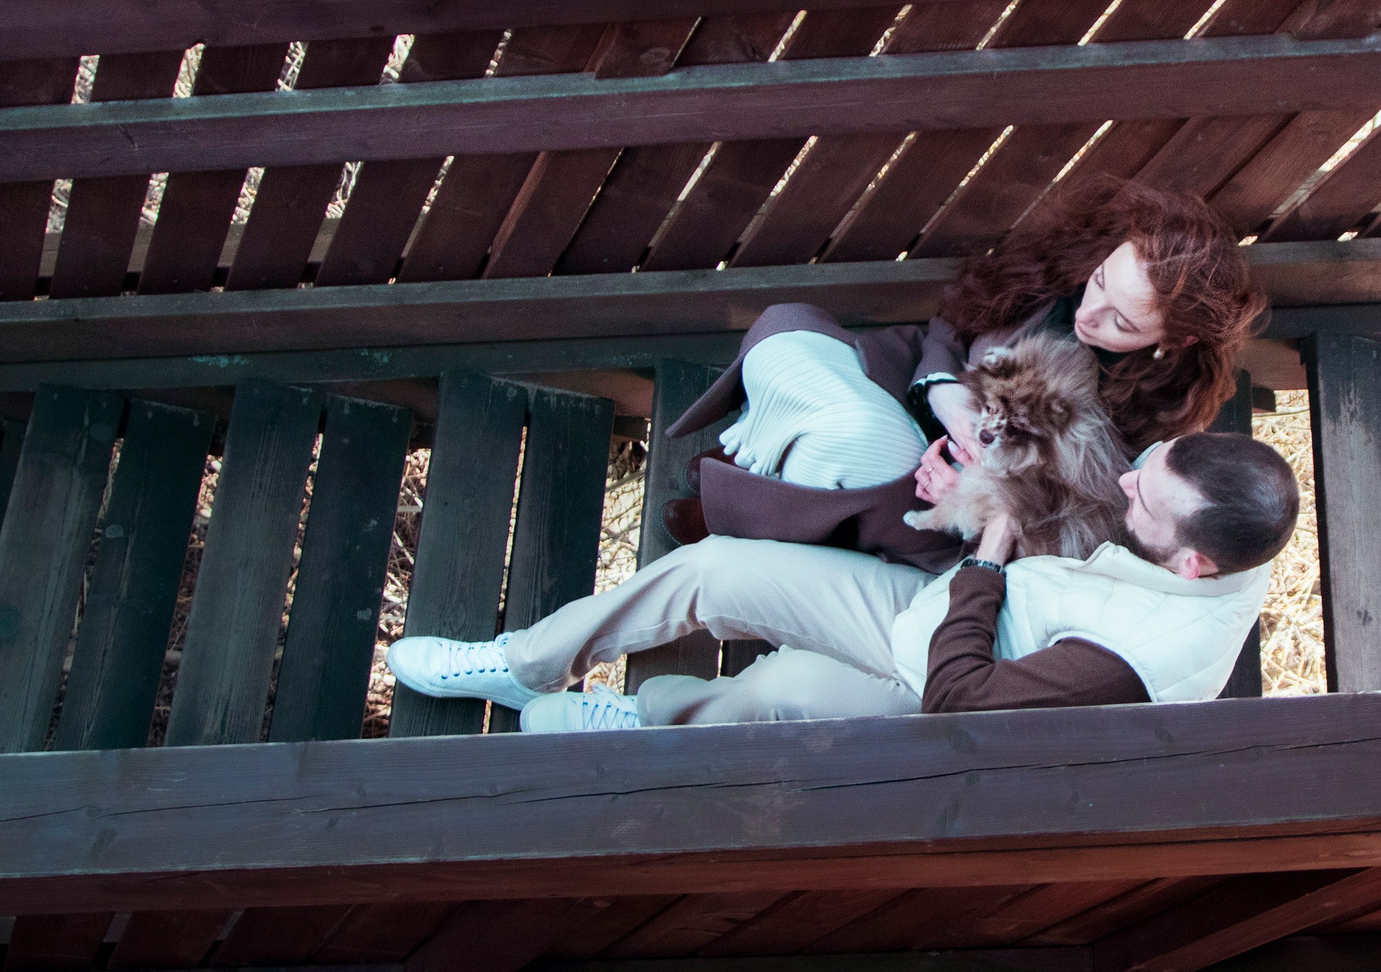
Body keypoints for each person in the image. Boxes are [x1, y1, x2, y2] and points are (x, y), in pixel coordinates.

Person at [384, 431, 1300, 728]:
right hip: (948, 610)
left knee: (774, 690)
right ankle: (527, 664)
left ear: (1194, 564)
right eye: (1150, 460)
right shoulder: (1220, 523)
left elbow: (960, 695)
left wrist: (989, 552)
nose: (1130, 480)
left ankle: (638, 719)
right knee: (712, 568)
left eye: (1147, 492)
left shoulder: (1147, 662)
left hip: (942, 684)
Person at [654, 181, 1265, 569]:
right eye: (1100, 282)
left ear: (1175, 339)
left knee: (865, 444)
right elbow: (956, 319)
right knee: (788, 329)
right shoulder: (1075, 259)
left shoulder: (1165, 418)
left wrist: (979, 493)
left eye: (1122, 324)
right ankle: (785, 458)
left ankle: (751, 502)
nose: (1088, 314)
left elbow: (1087, 524)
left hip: (954, 486)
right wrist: (944, 393)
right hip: (919, 382)